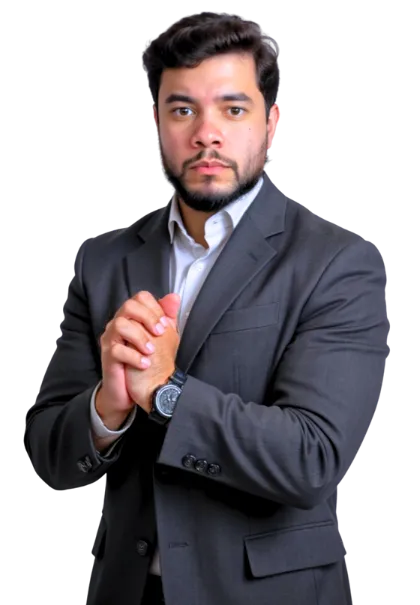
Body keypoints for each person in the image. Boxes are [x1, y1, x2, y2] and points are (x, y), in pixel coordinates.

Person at [24, 10, 389, 605]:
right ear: (157, 123)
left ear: (272, 124)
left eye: (233, 109)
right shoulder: (104, 260)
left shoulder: (337, 263)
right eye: (182, 110)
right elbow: (51, 457)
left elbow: (312, 459)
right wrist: (108, 408)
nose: (206, 134)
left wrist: (165, 391)